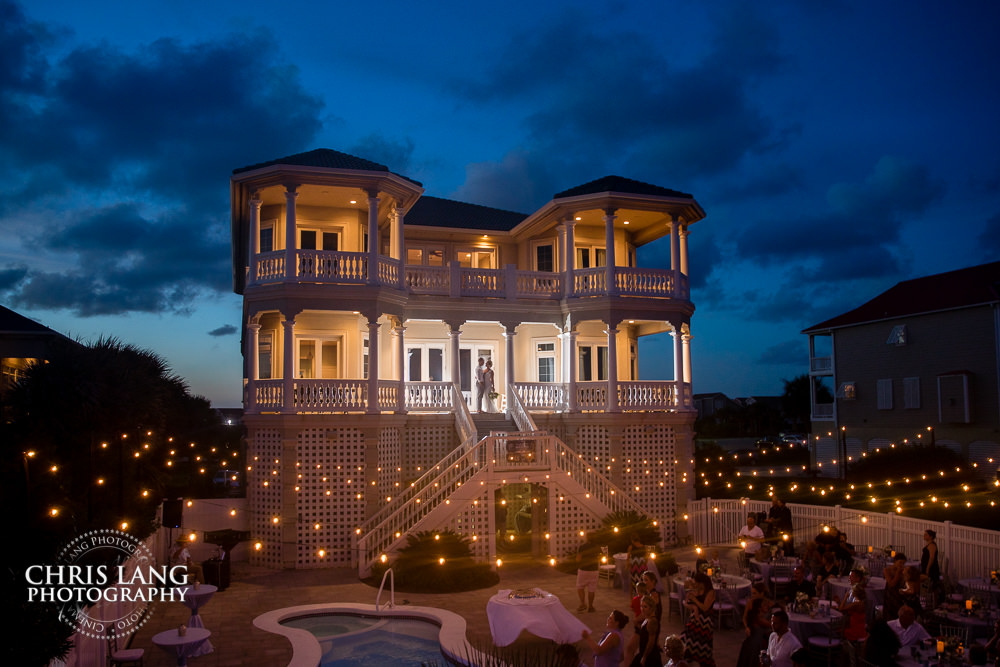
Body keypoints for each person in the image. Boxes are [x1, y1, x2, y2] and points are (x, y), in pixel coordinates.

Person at [682, 571, 717, 667]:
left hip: (705, 621)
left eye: (696, 583)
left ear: (702, 582)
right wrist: (693, 606)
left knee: (703, 646)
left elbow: (705, 607)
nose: (695, 585)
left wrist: (694, 600)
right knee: (687, 640)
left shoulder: (711, 592)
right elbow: (686, 602)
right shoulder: (697, 590)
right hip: (695, 620)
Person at [737, 582, 774, 667]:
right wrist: (746, 627)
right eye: (752, 593)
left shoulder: (769, 604)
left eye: (754, 593)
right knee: (754, 641)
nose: (752, 595)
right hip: (753, 631)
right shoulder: (750, 603)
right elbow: (744, 618)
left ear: (761, 593)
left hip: (764, 631)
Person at [629, 595, 661, 667]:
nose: (642, 609)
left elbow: (651, 642)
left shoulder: (652, 621)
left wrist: (644, 657)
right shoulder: (647, 618)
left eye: (645, 607)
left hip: (650, 656)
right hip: (642, 652)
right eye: (641, 606)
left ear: (651, 608)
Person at [576, 532, 601, 613]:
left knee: (580, 587)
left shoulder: (582, 547)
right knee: (591, 590)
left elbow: (578, 559)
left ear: (587, 538)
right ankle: (590, 606)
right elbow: (600, 558)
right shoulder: (597, 547)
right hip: (594, 570)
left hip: (583, 570)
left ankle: (583, 603)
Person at [882, 552, 909, 620]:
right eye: (900, 562)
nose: (901, 565)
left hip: (899, 595)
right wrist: (898, 572)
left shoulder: (903, 571)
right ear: (895, 561)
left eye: (903, 563)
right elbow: (891, 584)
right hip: (890, 594)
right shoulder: (887, 570)